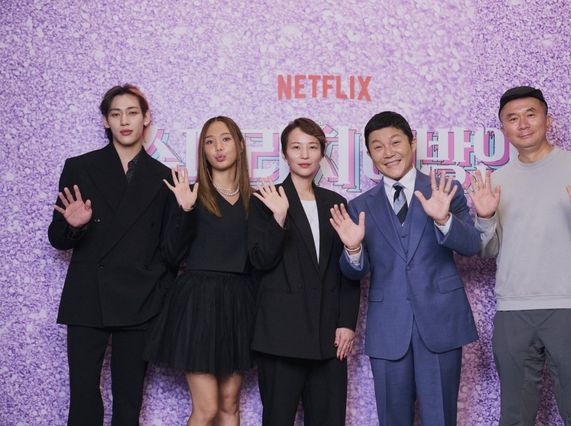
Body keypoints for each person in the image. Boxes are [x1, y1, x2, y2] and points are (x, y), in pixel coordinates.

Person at [468, 86, 571, 425]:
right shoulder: (496, 182)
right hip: (513, 310)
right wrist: (485, 217)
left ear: (548, 120)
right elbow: (488, 250)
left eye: (530, 114)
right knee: (515, 415)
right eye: (512, 118)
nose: (522, 124)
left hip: (569, 307)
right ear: (503, 128)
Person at [48, 84, 194, 425]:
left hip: (141, 299)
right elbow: (57, 238)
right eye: (116, 114)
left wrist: (186, 212)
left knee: (129, 401)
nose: (124, 121)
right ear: (105, 121)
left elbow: (173, 253)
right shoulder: (80, 167)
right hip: (88, 296)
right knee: (83, 399)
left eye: (132, 113)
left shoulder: (166, 178)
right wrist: (75, 226)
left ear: (146, 118)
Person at [329, 111, 480, 426]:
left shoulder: (444, 189)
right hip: (388, 328)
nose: (388, 152)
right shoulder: (360, 206)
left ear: (412, 143)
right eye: (378, 146)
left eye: (395, 142)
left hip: (440, 322)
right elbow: (354, 272)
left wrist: (443, 219)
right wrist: (353, 249)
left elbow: (471, 245)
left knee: (441, 419)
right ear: (370, 155)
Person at [248, 117, 360, 426]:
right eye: (296, 147)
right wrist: (279, 218)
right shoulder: (265, 198)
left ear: (322, 153)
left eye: (312, 147)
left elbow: (345, 269)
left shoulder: (335, 203)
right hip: (280, 335)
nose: (305, 154)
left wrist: (346, 322)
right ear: (284, 153)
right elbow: (259, 260)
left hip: (328, 335)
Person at [144, 116, 255, 426]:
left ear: (240, 145)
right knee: (206, 409)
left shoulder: (256, 200)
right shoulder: (189, 194)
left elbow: (262, 258)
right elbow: (171, 254)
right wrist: (185, 210)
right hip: (198, 303)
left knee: (230, 404)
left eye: (225, 139)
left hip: (237, 304)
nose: (218, 147)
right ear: (202, 150)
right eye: (209, 141)